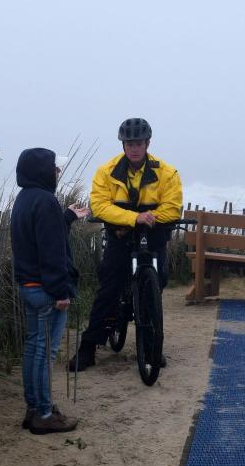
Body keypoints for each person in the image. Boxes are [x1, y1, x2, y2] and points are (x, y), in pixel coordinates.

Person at [69, 118, 183, 372]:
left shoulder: (167, 172)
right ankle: (88, 348)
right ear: (123, 145)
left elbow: (173, 207)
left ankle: (153, 345)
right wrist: (134, 218)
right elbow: (99, 205)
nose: (134, 148)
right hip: (119, 237)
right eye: (129, 143)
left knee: (159, 280)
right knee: (109, 287)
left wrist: (147, 220)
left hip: (153, 236)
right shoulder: (106, 171)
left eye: (139, 143)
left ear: (147, 144)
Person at [11, 148, 89, 434]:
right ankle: (44, 414)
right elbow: (51, 253)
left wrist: (65, 218)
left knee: (34, 349)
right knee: (45, 353)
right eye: (55, 169)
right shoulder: (45, 201)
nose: (58, 173)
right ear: (43, 171)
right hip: (46, 292)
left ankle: (34, 408)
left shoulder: (25, 199)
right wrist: (61, 292)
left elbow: (39, 236)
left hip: (29, 288)